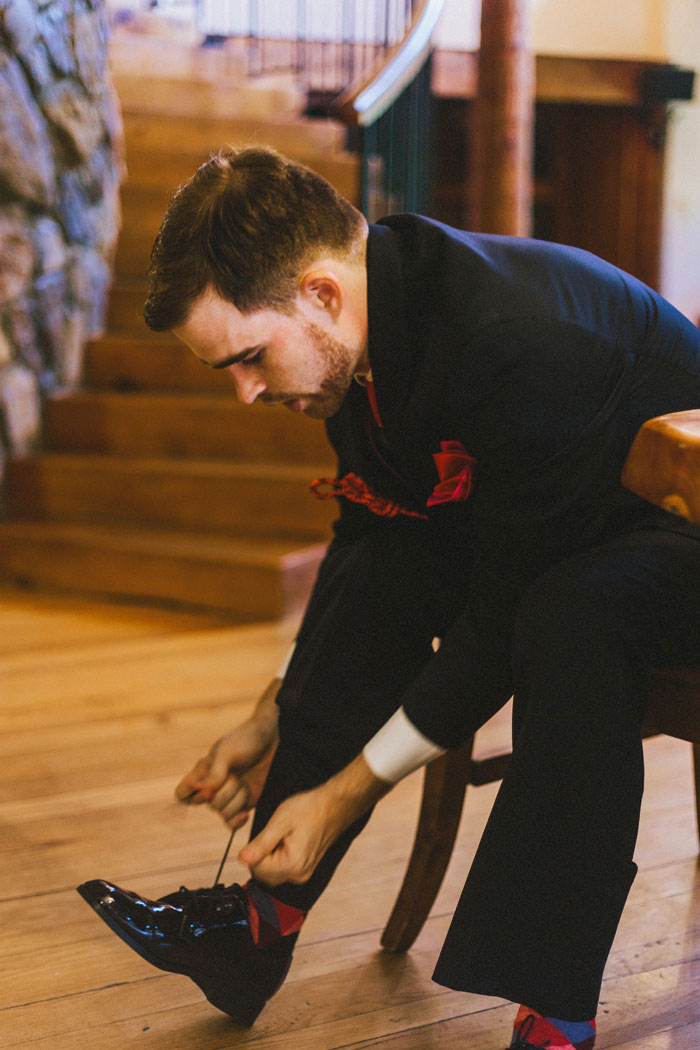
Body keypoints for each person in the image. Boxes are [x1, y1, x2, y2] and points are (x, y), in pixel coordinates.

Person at [77, 146, 700, 1050]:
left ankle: (557, 1013)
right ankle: (259, 926)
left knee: (567, 619)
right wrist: (274, 714)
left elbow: (496, 625)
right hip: (570, 527)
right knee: (385, 569)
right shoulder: (367, 330)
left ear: (322, 293)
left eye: (249, 358)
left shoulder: (514, 342)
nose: (248, 392)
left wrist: (340, 794)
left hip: (685, 529)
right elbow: (369, 528)